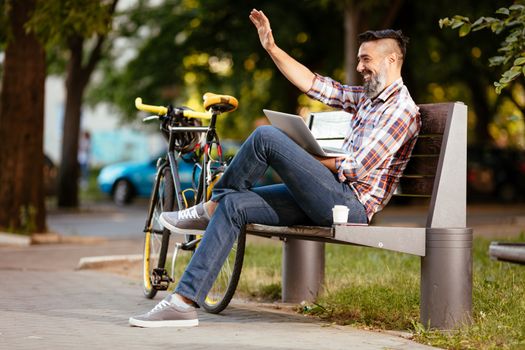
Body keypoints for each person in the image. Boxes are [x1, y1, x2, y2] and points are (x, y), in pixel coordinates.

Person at [129, 8, 420, 328]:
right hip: (328, 194)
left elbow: (357, 169)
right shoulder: (368, 98)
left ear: (391, 61)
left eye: (366, 60)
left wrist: (299, 155)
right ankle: (183, 302)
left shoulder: (402, 110)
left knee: (267, 137)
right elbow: (314, 85)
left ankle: (209, 205)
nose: (359, 66)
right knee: (234, 205)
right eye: (359, 59)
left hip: (349, 206)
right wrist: (271, 46)